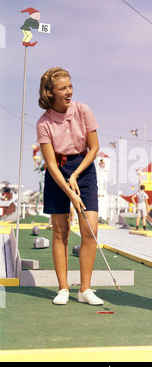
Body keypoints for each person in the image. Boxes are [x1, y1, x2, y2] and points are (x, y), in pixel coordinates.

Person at [36, 67, 103, 306]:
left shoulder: (83, 110)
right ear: (50, 93)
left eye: (70, 86)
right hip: (57, 172)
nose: (68, 92)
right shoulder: (44, 123)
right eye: (62, 88)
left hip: (83, 169)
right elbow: (51, 166)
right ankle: (63, 288)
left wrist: (75, 175)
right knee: (60, 231)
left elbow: (94, 148)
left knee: (90, 230)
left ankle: (85, 290)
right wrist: (70, 193)